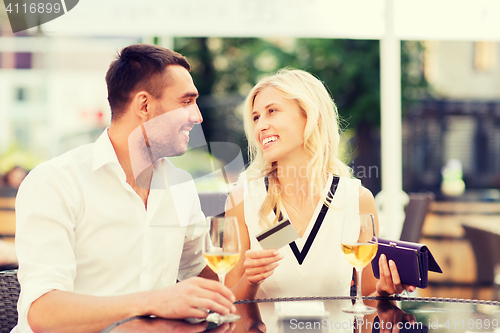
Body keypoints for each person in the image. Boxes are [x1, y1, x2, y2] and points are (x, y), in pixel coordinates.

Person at [13, 44, 236, 333]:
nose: (197, 116)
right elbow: (43, 313)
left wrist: (252, 271)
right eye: (185, 102)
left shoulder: (180, 186)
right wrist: (155, 301)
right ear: (144, 106)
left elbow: (203, 275)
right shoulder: (55, 181)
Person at [224, 69, 415, 331]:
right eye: (256, 117)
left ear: (309, 115)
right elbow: (227, 306)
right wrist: (250, 279)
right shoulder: (242, 199)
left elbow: (369, 299)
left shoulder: (357, 199)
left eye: (272, 111)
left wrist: (385, 291)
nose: (260, 126)